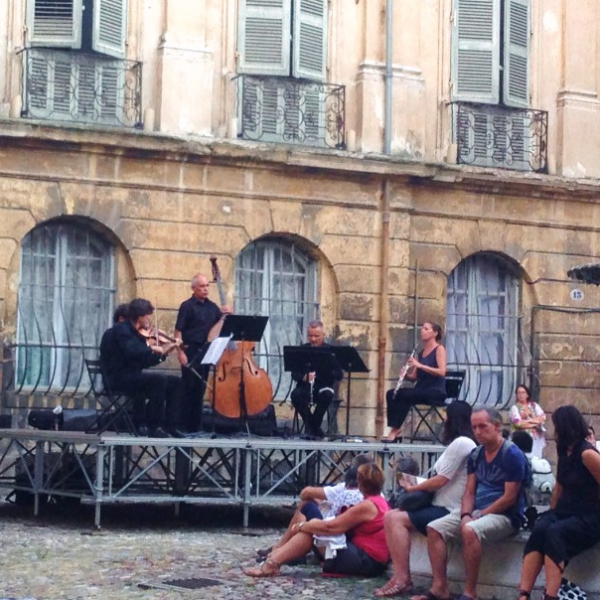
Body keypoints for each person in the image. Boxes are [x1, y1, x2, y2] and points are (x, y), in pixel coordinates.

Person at [414, 406, 529, 600]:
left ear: (497, 426)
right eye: (474, 427)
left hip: (505, 515)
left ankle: (470, 593)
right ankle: (439, 588)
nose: (477, 432)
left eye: (482, 427)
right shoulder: (476, 454)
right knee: (434, 528)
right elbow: (469, 490)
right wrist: (466, 514)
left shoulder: (512, 455)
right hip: (476, 510)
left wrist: (479, 515)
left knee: (470, 530)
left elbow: (509, 498)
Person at [375, 401, 476, 598]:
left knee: (394, 518)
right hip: (442, 503)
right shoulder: (461, 443)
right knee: (391, 516)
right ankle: (400, 576)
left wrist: (414, 486)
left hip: (450, 508)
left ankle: (403, 578)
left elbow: (440, 480)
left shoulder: (462, 443)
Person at [244, 462, 390, 578]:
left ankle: (271, 563)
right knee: (313, 527)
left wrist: (301, 526)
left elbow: (332, 527)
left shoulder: (368, 505)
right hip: (366, 556)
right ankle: (273, 560)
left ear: (360, 483)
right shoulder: (375, 502)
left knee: (313, 530)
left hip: (367, 560)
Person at [517, 405, 600, 600]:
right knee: (540, 528)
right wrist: (551, 513)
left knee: (556, 532)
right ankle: (523, 594)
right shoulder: (564, 451)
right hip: (566, 511)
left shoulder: (587, 454)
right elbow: (559, 486)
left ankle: (551, 596)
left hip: (589, 515)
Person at [255, 454, 373, 563]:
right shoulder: (374, 497)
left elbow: (332, 524)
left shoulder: (346, 491)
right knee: (311, 521)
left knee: (308, 509)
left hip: (342, 542)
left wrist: (303, 525)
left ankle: (280, 552)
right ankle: (283, 551)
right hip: (349, 540)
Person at [100, 298, 183, 438]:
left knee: (175, 382)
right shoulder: (121, 330)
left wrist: (164, 353)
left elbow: (143, 361)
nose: (149, 320)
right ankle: (154, 426)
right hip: (118, 378)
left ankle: (170, 426)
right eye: (147, 316)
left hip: (132, 376)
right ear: (140, 316)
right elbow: (131, 350)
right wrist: (152, 347)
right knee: (158, 380)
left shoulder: (135, 333)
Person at [174, 273, 231, 433]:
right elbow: (178, 331)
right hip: (190, 350)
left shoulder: (212, 307)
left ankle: (196, 426)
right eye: (202, 286)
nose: (205, 289)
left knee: (200, 389)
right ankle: (184, 426)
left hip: (207, 350)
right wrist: (180, 353)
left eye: (207, 286)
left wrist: (227, 314)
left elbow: (222, 326)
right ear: (194, 288)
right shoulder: (187, 306)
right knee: (188, 388)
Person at [384, 321, 447, 443]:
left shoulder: (439, 349)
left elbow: (442, 372)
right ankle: (394, 428)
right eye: (422, 328)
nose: (422, 331)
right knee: (391, 393)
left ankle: (395, 430)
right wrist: (406, 375)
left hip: (436, 391)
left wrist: (420, 365)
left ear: (435, 333)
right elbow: (415, 377)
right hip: (421, 390)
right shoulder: (420, 353)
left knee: (406, 395)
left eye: (426, 329)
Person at [290, 320, 343, 438]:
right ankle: (315, 429)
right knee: (296, 395)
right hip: (305, 387)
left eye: (316, 336)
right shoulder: (302, 350)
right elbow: (294, 374)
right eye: (310, 336)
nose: (313, 339)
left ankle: (311, 428)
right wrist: (304, 377)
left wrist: (327, 372)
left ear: (324, 335)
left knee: (327, 395)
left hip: (323, 386)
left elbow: (339, 375)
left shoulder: (331, 351)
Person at [509, 384, 547, 458]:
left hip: (535, 439)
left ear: (527, 394)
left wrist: (530, 418)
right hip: (521, 439)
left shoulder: (534, 406)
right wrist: (534, 423)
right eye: (519, 393)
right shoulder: (514, 408)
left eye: (523, 392)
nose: (521, 395)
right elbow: (518, 424)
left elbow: (542, 418)